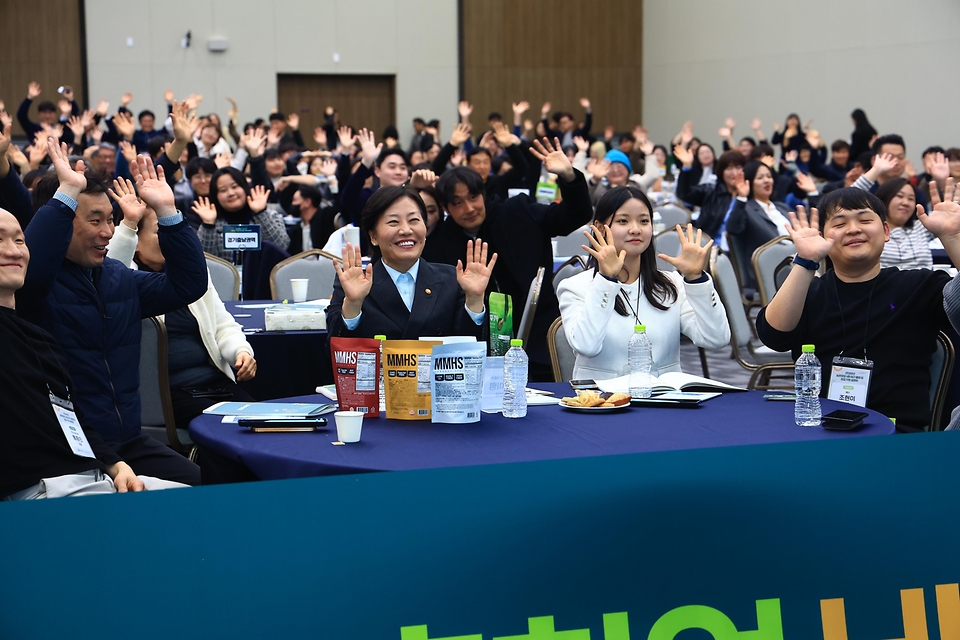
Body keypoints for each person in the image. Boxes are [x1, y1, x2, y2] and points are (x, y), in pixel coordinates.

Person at [17, 139, 208, 484]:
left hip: (128, 442)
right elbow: (33, 270)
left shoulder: (119, 278)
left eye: (111, 219)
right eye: (94, 221)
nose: (108, 232)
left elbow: (189, 285)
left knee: (208, 491)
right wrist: (65, 195)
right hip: (69, 452)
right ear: (62, 223)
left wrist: (168, 213)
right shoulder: (32, 290)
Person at [0, 208, 186, 500]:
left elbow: (68, 412)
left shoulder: (39, 337)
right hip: (39, 493)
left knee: (212, 502)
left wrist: (114, 464)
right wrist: (67, 194)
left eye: (20, 241)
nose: (13, 251)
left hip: (94, 471)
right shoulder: (44, 306)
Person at [756, 181, 960, 432]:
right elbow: (773, 336)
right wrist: (806, 261)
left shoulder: (919, 286)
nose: (853, 229)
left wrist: (953, 238)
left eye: (865, 221)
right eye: (839, 224)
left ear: (886, 231)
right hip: (819, 430)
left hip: (898, 434)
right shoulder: (809, 292)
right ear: (823, 236)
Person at [428, 137, 592, 380]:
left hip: (536, 342)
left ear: (483, 194)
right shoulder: (439, 242)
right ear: (445, 208)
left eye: (473, 197)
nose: (469, 208)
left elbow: (575, 215)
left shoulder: (517, 212)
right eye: (457, 203)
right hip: (473, 348)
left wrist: (568, 176)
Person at [104, 178, 258, 432]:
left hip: (215, 383)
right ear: (136, 242)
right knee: (231, 431)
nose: (167, 239)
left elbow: (222, 324)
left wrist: (240, 353)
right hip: (166, 394)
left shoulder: (190, 278)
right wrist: (129, 223)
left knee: (267, 425)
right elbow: (108, 276)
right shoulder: (125, 281)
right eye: (158, 231)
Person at [557, 187, 729, 380]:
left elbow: (716, 339)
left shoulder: (670, 285)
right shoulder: (575, 286)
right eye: (623, 221)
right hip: (603, 402)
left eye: (644, 221)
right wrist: (606, 280)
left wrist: (695, 278)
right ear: (599, 227)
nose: (636, 229)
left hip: (663, 401)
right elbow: (587, 345)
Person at [325, 186, 494, 343]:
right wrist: (353, 304)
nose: (406, 230)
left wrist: (474, 301)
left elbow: (468, 348)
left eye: (414, 220)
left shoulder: (452, 279)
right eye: (393, 222)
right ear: (373, 236)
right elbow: (336, 350)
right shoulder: (354, 282)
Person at [724, 160, 793, 290]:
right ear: (749, 182)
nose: (766, 180)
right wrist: (741, 197)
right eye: (760, 178)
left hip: (796, 264)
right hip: (771, 271)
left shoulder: (782, 207)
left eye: (769, 176)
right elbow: (733, 228)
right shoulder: (746, 208)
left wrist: (813, 194)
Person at [193, 166, 289, 260]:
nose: (231, 193)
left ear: (244, 187)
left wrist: (260, 213)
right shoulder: (213, 223)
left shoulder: (270, 215)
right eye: (223, 190)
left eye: (234, 186)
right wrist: (208, 225)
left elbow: (281, 246)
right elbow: (203, 259)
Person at [675, 148, 746, 238]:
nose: (734, 173)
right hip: (710, 245)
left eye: (738, 167)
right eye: (729, 168)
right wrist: (687, 167)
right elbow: (685, 194)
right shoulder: (711, 191)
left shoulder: (750, 195)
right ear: (722, 171)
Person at [876, 178, 932, 270]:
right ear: (885, 198)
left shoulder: (921, 226)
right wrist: (876, 170)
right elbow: (848, 202)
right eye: (899, 196)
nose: (905, 203)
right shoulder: (872, 229)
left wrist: (941, 180)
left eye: (911, 199)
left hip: (925, 283)